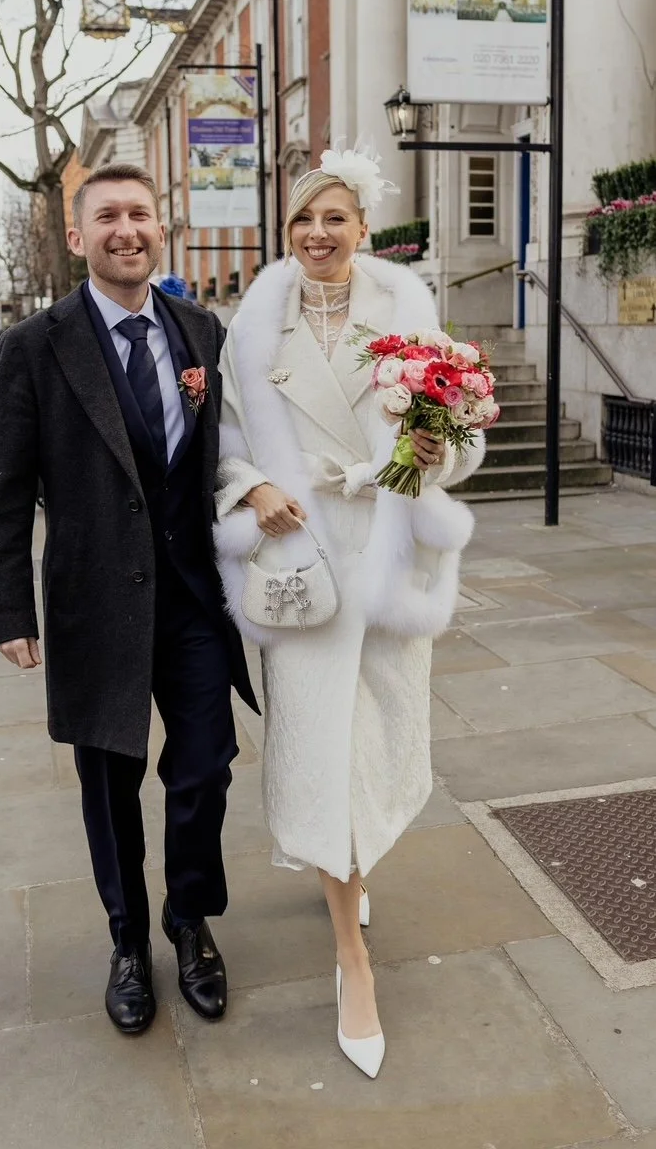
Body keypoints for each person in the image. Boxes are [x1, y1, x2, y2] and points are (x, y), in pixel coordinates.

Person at [213, 149, 485, 1079]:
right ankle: (351, 957)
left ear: (364, 227)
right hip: (303, 567)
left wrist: (415, 460)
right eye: (303, 221)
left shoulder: (407, 312)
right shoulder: (251, 326)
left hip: (386, 555)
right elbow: (228, 443)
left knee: (383, 735)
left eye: (335, 218)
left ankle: (354, 860)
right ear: (286, 232)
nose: (318, 235)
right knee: (322, 749)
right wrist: (253, 493)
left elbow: (456, 435)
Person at [0, 162, 257, 1038]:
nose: (126, 229)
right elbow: (5, 490)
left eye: (140, 213)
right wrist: (6, 609)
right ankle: (129, 940)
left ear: (159, 228)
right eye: (107, 217)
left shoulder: (201, 329)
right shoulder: (34, 346)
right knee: (109, 784)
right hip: (95, 601)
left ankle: (189, 920)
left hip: (194, 599)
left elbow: (224, 454)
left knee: (205, 764)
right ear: (77, 236)